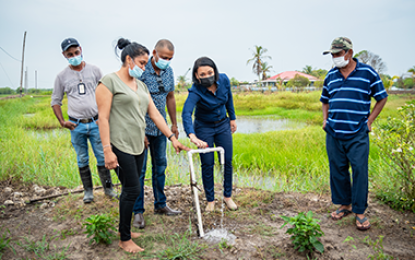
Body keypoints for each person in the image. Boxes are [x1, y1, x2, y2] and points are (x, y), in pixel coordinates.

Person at [95, 38, 188, 253]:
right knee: (132, 189)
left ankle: (123, 229)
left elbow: (155, 114)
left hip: (137, 144)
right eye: (142, 62)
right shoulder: (108, 82)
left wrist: (172, 137)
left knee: (131, 188)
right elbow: (103, 118)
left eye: (146, 63)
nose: (145, 67)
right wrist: (107, 150)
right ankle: (125, 239)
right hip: (119, 144)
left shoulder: (140, 85)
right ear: (129, 59)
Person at [320, 37, 388, 231]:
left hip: (358, 132)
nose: (334, 58)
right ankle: (344, 205)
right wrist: (325, 120)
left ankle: (359, 211)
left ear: (349, 53)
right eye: (332, 54)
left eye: (338, 54)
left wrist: (369, 121)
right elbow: (324, 100)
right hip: (334, 131)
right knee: (338, 170)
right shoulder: (331, 75)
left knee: (359, 170)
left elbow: (381, 97)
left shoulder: (367, 73)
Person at [51, 37, 116, 203]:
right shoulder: (61, 76)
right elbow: (55, 101)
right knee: (82, 158)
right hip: (76, 125)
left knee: (102, 157)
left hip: (96, 123)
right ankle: (88, 191)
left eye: (76, 52)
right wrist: (62, 122)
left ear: (81, 49)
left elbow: (106, 92)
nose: (74, 56)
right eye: (70, 54)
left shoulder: (94, 70)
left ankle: (108, 188)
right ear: (64, 55)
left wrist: (104, 117)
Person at [132, 39, 181, 229]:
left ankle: (160, 204)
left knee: (160, 167)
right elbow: (134, 102)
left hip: (161, 129)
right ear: (154, 53)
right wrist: (139, 131)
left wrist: (174, 124)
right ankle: (137, 212)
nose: (167, 61)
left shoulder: (168, 71)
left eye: (170, 58)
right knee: (140, 171)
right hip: (142, 128)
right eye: (164, 57)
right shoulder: (142, 71)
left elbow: (170, 97)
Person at [182, 57, 238, 212]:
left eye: (210, 72)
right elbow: (186, 112)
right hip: (203, 128)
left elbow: (229, 99)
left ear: (215, 71)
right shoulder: (195, 90)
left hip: (222, 125)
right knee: (207, 163)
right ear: (197, 76)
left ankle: (227, 197)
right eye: (203, 74)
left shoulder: (224, 80)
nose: (207, 76)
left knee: (226, 161)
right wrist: (192, 135)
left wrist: (232, 118)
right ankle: (210, 200)